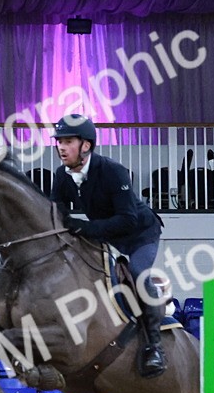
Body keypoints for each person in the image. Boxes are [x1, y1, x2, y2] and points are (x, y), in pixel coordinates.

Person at [49, 116, 166, 378]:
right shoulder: (62, 175)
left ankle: (154, 346)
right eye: (59, 142)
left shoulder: (113, 171)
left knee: (137, 272)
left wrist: (84, 228)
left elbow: (128, 219)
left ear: (86, 146)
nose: (61, 147)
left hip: (139, 234)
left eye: (68, 141)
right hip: (107, 234)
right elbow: (58, 215)